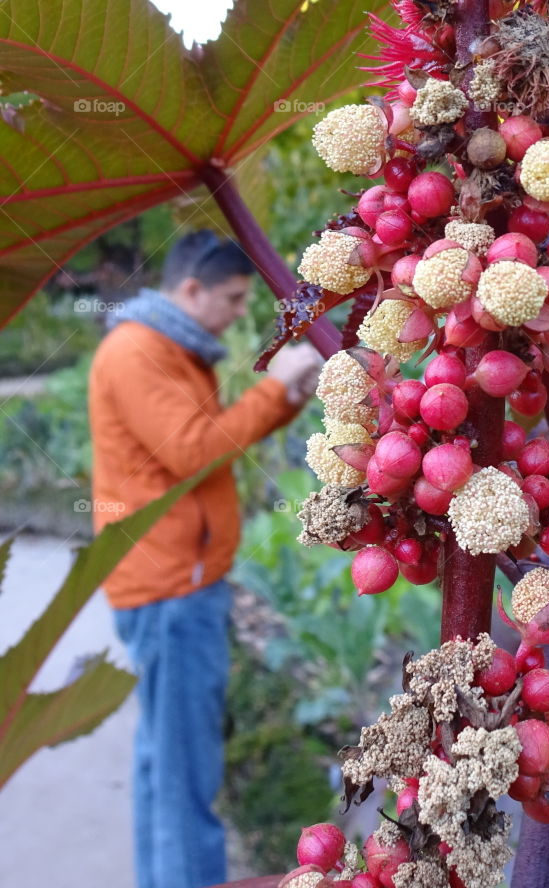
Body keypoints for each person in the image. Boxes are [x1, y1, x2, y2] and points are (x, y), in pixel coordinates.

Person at [89, 230, 321, 888]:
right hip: (171, 589)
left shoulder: (167, 347)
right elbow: (194, 450)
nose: (237, 314)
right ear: (189, 289)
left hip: (172, 582)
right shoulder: (138, 351)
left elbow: (203, 443)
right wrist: (274, 390)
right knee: (186, 775)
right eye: (231, 298)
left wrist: (285, 396)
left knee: (164, 767)